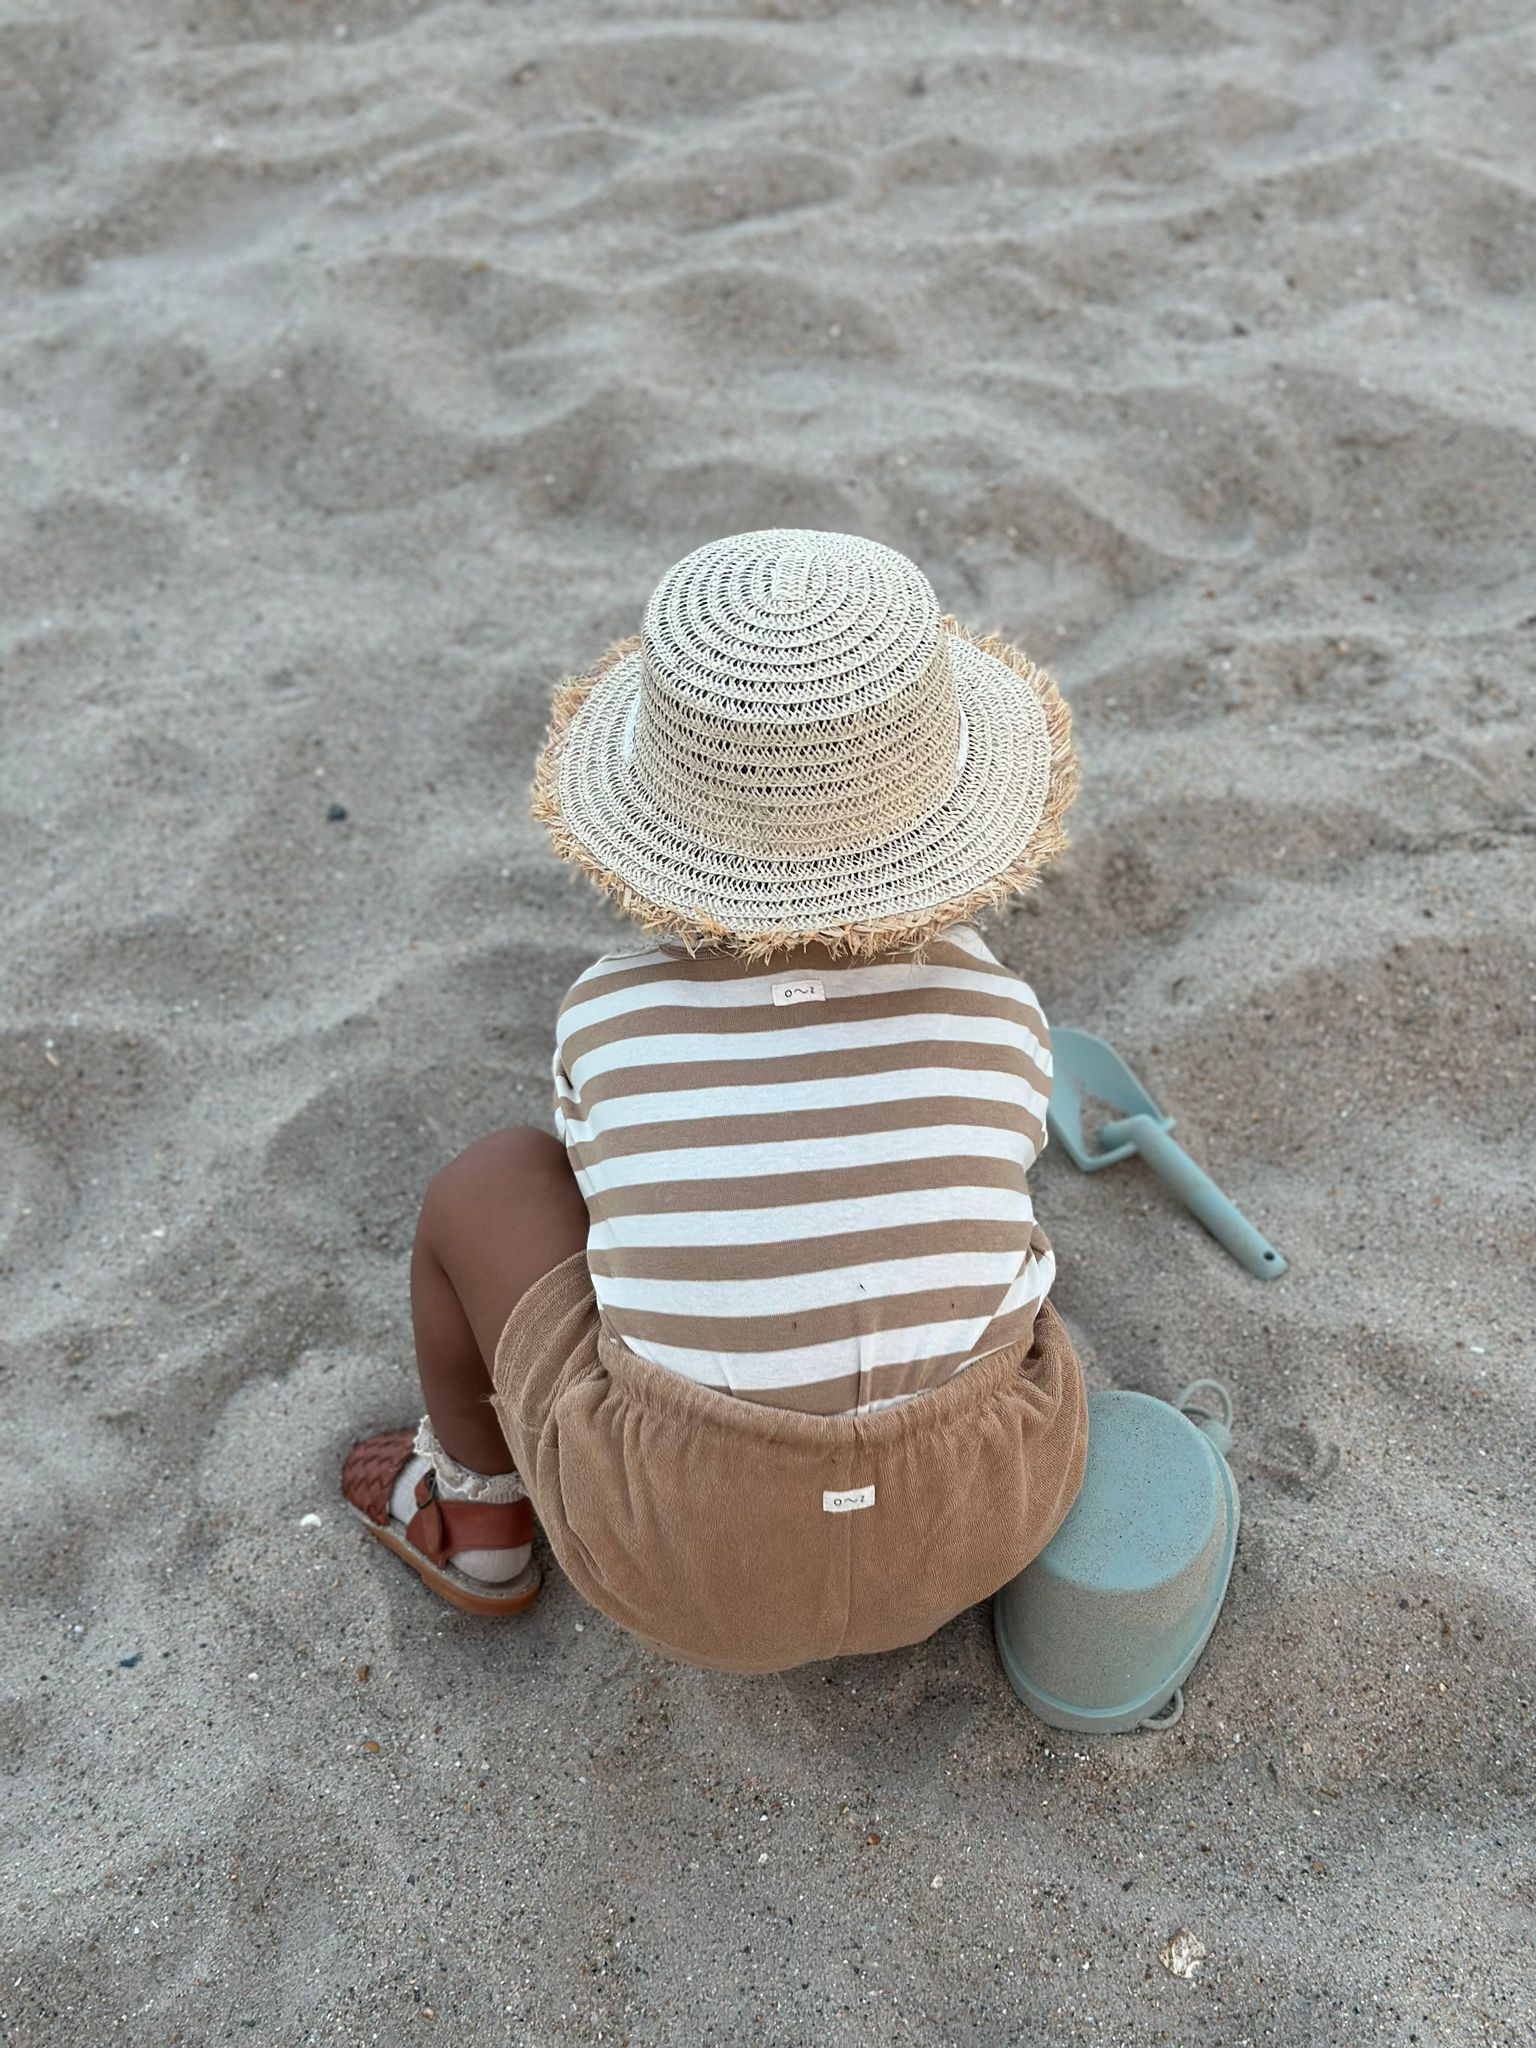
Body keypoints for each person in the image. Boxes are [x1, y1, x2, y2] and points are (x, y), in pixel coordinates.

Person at [341, 528, 1089, 1673]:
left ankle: (477, 1517)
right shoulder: (997, 1004)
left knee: (488, 1184)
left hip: (680, 1551)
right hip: (987, 1513)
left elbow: (604, 1198)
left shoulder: (609, 1012)